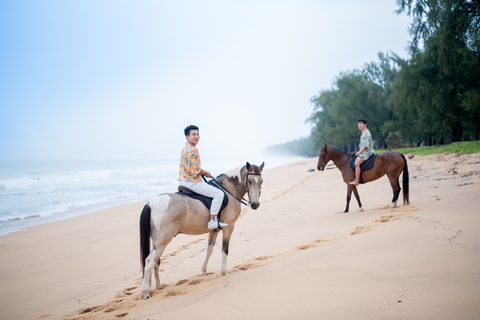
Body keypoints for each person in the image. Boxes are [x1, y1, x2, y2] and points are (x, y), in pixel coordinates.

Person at [178, 125, 228, 229]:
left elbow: (191, 166)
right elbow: (195, 170)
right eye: (193, 134)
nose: (196, 136)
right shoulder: (192, 150)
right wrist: (206, 173)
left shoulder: (185, 148)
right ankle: (212, 221)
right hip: (193, 182)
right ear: (187, 136)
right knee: (219, 194)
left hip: (183, 181)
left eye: (197, 134)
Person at [349, 118, 374, 186]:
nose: (359, 125)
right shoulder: (363, 133)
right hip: (364, 152)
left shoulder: (366, 133)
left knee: (356, 163)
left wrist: (359, 152)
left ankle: (356, 181)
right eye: (358, 124)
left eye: (361, 123)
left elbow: (366, 146)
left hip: (367, 153)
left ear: (365, 124)